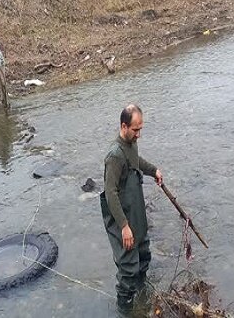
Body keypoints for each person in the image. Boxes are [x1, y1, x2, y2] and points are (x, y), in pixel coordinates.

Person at [100, 104, 164, 313]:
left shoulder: (131, 144)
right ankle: (125, 309)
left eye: (141, 129)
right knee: (128, 269)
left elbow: (137, 162)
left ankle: (142, 290)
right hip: (123, 220)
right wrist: (124, 227)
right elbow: (110, 194)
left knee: (143, 253)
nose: (139, 135)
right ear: (124, 126)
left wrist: (153, 170)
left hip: (136, 213)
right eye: (136, 130)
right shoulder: (114, 156)